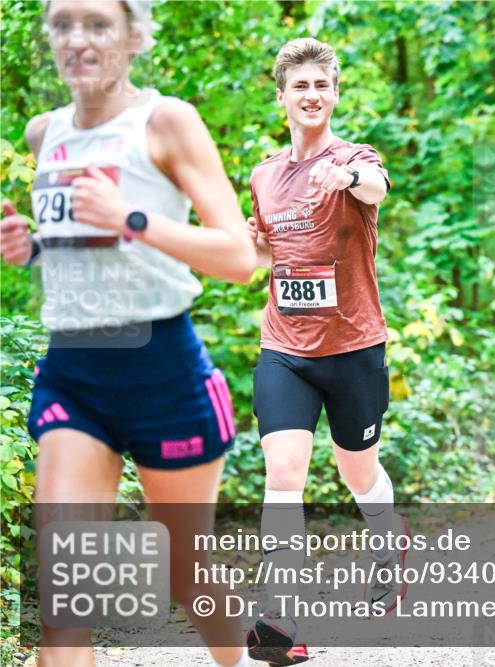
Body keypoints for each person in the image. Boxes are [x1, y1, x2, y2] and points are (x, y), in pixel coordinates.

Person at [0, 2, 257, 667]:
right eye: (61, 24)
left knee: (185, 573)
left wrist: (131, 216)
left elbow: (236, 255)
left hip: (163, 370)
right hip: (74, 373)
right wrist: (29, 248)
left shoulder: (167, 122)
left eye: (96, 24)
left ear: (134, 36)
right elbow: (78, 248)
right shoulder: (43, 133)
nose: (75, 39)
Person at [243, 38, 404, 667]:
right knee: (283, 473)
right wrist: (252, 244)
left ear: (334, 94)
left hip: (354, 347)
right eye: (300, 86)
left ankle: (389, 541)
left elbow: (377, 188)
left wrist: (353, 178)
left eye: (322, 85)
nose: (312, 95)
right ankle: (279, 621)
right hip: (284, 347)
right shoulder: (263, 173)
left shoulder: (354, 158)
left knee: (356, 470)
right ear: (281, 96)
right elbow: (267, 255)